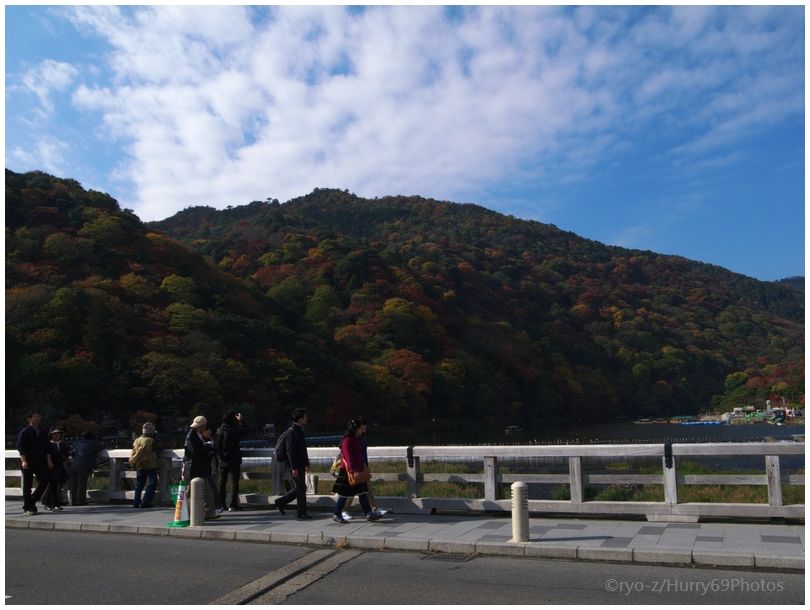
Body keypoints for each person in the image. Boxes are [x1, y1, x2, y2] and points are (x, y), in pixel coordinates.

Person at [331, 418, 383, 524]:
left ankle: (368, 513)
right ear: (357, 428)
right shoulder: (347, 440)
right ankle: (336, 514)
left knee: (362, 492)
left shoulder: (357, 439)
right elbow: (347, 457)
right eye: (360, 427)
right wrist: (352, 470)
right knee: (344, 494)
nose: (362, 429)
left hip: (358, 470)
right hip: (348, 471)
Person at [274, 408, 312, 519]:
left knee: (301, 488)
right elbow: (290, 451)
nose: (306, 418)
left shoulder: (299, 430)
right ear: (300, 419)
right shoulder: (291, 433)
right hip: (294, 466)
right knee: (301, 488)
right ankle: (301, 512)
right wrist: (294, 468)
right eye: (305, 417)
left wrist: (307, 462)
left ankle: (281, 502)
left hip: (300, 464)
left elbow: (302, 450)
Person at [183, 416, 220, 520]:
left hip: (200, 466)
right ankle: (191, 514)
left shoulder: (197, 435)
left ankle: (208, 513)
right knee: (192, 491)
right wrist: (207, 447)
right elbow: (195, 452)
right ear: (202, 426)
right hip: (194, 467)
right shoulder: (191, 436)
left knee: (208, 491)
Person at [17, 411, 53, 516]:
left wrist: (49, 460)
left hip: (41, 461)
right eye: (36, 417)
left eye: (39, 417)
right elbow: (21, 448)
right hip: (28, 461)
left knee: (45, 480)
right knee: (27, 485)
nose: (38, 418)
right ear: (29, 419)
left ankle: (31, 501)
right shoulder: (25, 432)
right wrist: (24, 461)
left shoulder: (43, 432)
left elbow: (47, 447)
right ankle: (28, 507)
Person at [216, 409, 248, 511]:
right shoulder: (235, 430)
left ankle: (222, 504)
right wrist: (241, 421)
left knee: (222, 482)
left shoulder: (219, 430)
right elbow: (245, 431)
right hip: (234, 459)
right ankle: (233, 504)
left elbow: (216, 445)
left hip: (222, 460)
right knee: (234, 482)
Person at [68, 430, 103, 505]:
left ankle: (73, 501)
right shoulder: (93, 443)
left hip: (74, 464)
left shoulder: (77, 443)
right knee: (82, 483)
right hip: (84, 465)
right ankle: (81, 501)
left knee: (73, 484)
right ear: (92, 437)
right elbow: (101, 447)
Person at [130, 422, 159, 508]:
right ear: (151, 432)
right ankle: (146, 502)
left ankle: (136, 502)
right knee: (152, 483)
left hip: (139, 464)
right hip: (150, 464)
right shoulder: (151, 440)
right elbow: (158, 449)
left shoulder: (137, 440)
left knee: (139, 484)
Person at [43, 428, 71, 511]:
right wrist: (49, 461)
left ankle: (49, 502)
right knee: (52, 485)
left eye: (58, 434)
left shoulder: (62, 444)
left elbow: (66, 453)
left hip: (59, 465)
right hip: (51, 466)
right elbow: (46, 454)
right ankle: (54, 504)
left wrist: (69, 457)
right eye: (55, 434)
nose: (57, 435)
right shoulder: (49, 444)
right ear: (51, 436)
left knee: (56, 484)